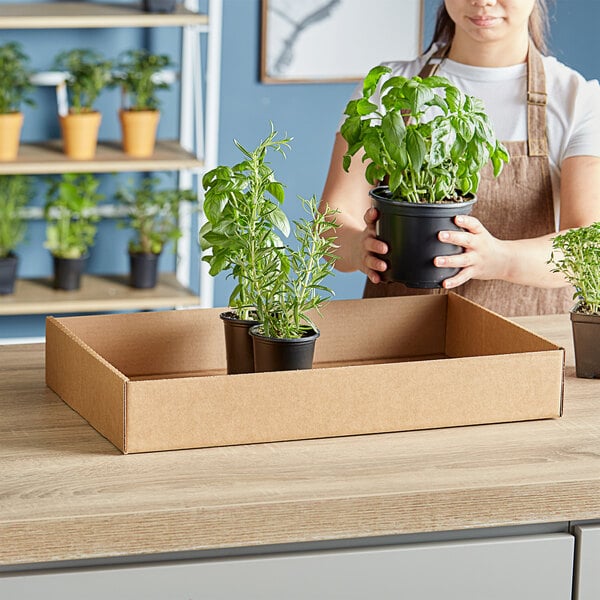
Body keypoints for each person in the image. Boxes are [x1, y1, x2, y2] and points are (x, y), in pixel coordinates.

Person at [319, 0, 600, 316]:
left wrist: (498, 258)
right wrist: (358, 248)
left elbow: (588, 248)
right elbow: (332, 219)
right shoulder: (388, 88)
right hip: (395, 339)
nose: (482, 1)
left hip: (527, 344)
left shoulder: (577, 99)